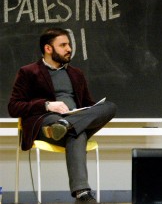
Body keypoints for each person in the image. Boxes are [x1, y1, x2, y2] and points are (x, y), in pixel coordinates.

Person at [8, 28, 117, 203]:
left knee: (109, 107)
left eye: (69, 45)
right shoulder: (28, 72)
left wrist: (93, 110)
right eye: (63, 45)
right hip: (48, 123)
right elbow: (13, 107)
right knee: (77, 132)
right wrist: (47, 105)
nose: (69, 49)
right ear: (48, 48)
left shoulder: (76, 74)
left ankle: (68, 124)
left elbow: (88, 104)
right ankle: (82, 194)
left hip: (71, 121)